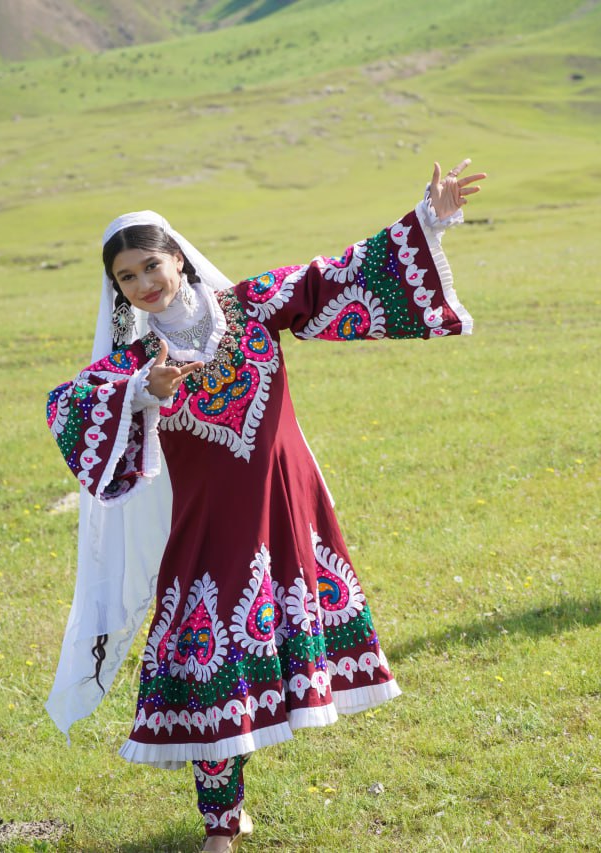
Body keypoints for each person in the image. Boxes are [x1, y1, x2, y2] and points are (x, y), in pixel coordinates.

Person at [44, 160, 486, 851]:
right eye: (126, 278)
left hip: (284, 513)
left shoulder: (250, 306)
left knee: (256, 662)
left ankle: (230, 807)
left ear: (179, 260)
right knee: (209, 662)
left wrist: (429, 218)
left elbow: (334, 275)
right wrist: (142, 393)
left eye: (150, 265)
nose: (143, 284)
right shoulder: (134, 362)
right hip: (206, 533)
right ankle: (221, 824)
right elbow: (70, 407)